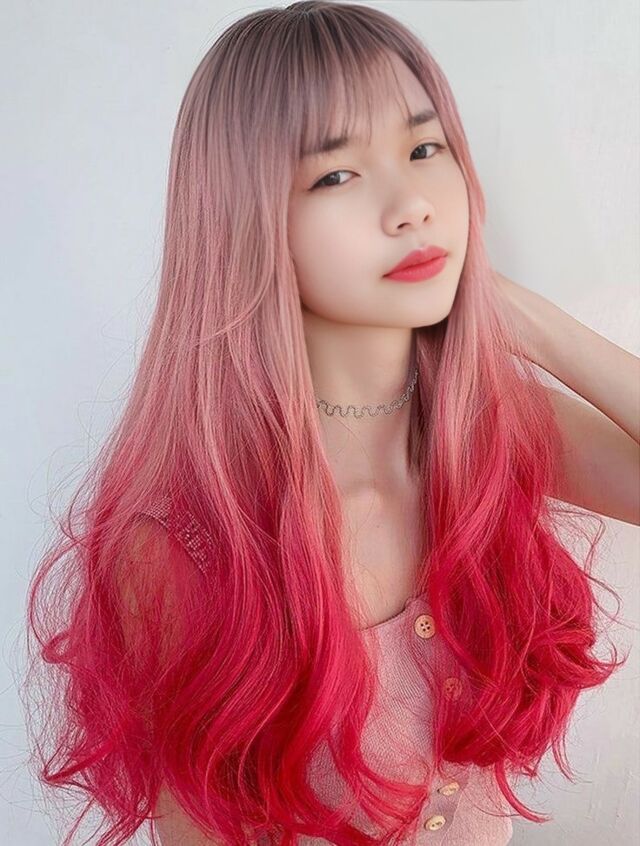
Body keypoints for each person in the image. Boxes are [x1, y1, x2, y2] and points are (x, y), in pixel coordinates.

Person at [23, 2, 639, 845]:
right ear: (247, 222)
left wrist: (528, 321)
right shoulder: (181, 547)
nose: (412, 205)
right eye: (337, 176)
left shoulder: (491, 428)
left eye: (425, 149)